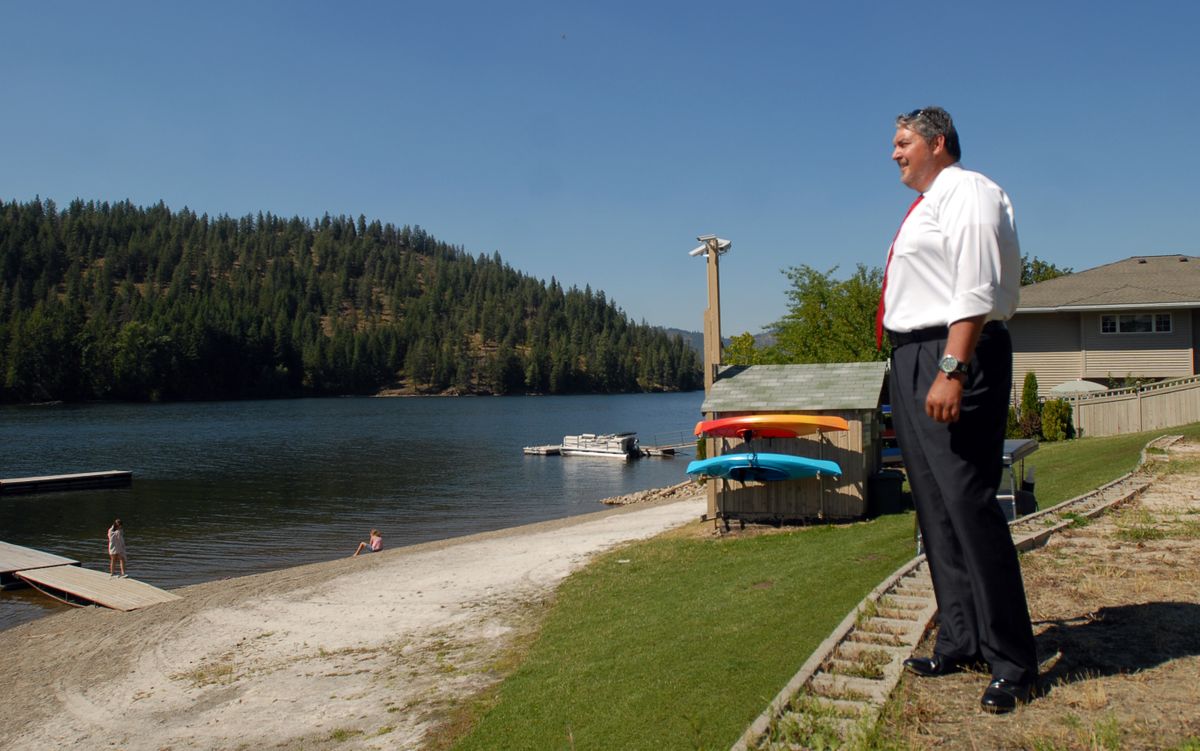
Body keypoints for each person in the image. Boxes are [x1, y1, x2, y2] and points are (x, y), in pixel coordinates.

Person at [878, 106, 1037, 714]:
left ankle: (1013, 660)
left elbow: (975, 282)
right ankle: (963, 638)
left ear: (937, 142)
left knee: (970, 503)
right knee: (937, 506)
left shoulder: (967, 191)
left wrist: (951, 366)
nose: (894, 153)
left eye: (902, 142)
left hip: (952, 352)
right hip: (913, 355)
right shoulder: (929, 203)